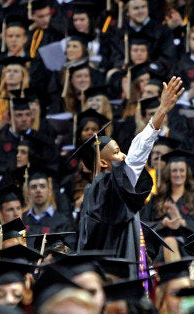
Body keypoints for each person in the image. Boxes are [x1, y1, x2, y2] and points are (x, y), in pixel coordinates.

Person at [75, 76, 184, 278]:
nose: (122, 155)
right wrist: (161, 111)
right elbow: (137, 155)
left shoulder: (93, 192)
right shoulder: (110, 186)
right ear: (103, 162)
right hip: (118, 275)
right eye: (116, 152)